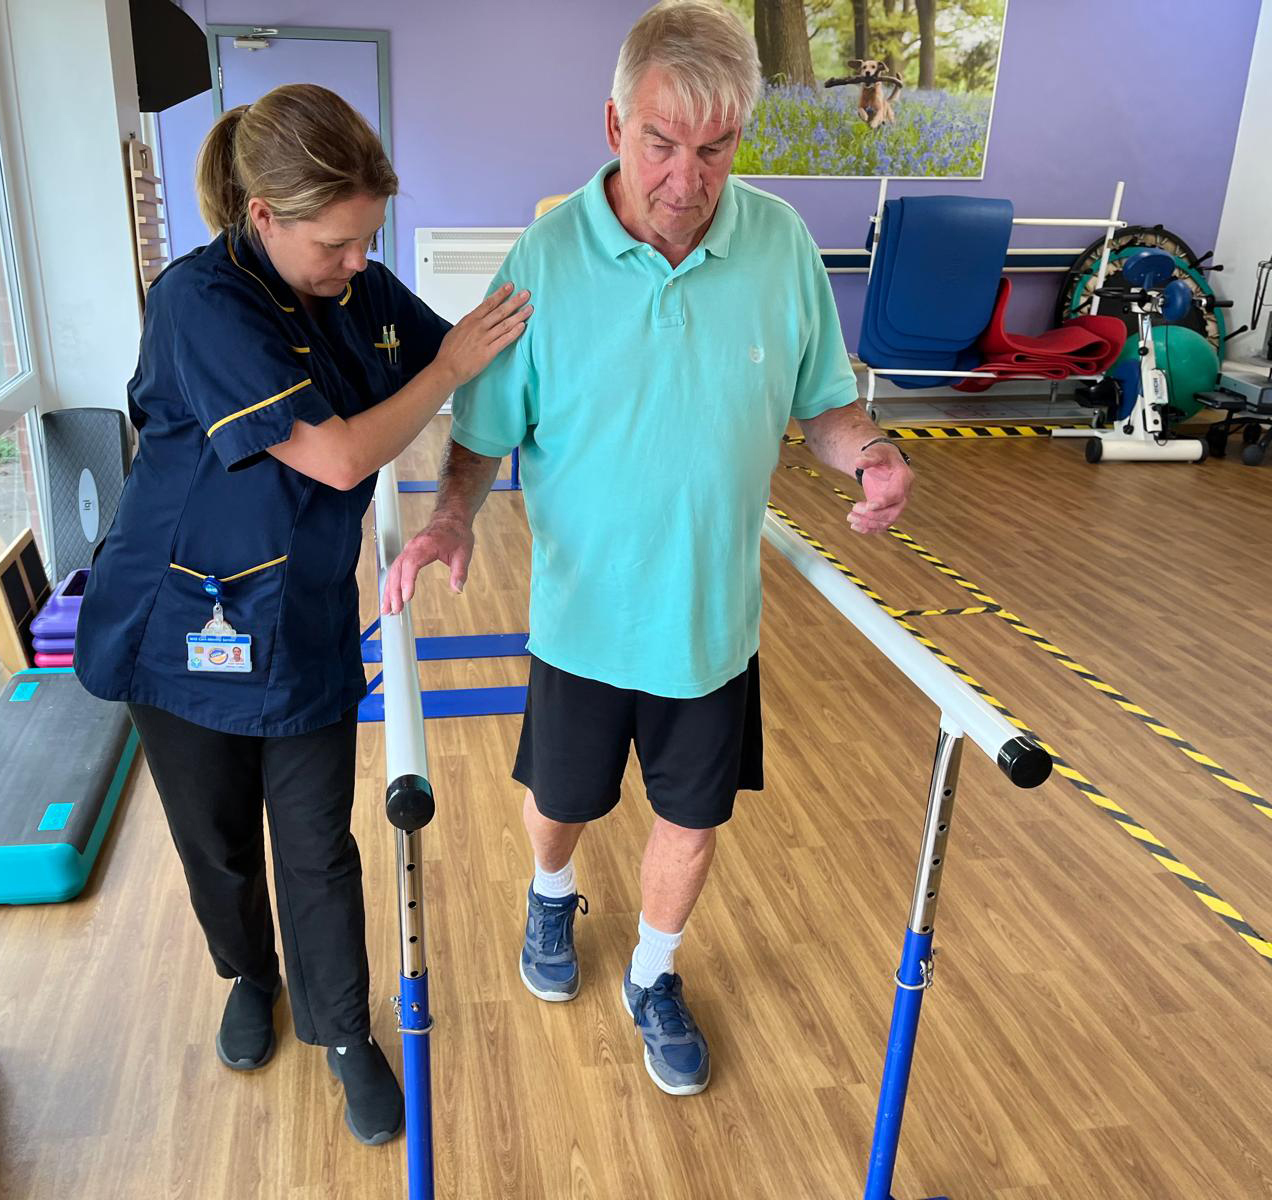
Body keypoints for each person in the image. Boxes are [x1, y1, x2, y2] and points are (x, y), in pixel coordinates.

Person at [383, 1, 914, 1097]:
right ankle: (549, 897)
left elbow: (821, 408)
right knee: (559, 803)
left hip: (709, 626)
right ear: (614, 124)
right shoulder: (546, 256)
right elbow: (485, 432)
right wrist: (446, 517)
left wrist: (872, 454)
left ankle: (655, 974)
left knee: (691, 821)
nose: (687, 177)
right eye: (663, 143)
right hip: (583, 617)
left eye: (715, 148)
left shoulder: (776, 246)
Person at [75, 84, 530, 1143]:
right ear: (263, 216)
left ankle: (341, 1031)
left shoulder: (355, 290)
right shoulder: (201, 300)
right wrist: (454, 367)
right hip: (182, 616)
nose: (359, 263)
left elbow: (468, 352)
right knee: (218, 843)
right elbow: (336, 457)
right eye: (336, 242)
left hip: (306, 619)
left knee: (319, 845)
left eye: (370, 238)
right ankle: (246, 974)